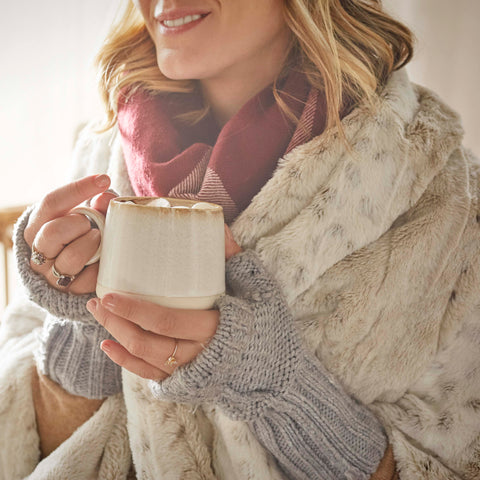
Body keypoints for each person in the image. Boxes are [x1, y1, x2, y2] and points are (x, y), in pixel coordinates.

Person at [1, 0, 479, 478]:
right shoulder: (102, 153)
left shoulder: (442, 197)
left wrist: (283, 388)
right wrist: (84, 323)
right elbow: (25, 449)